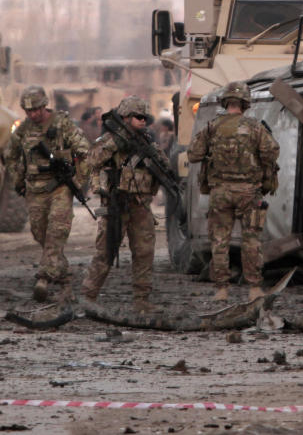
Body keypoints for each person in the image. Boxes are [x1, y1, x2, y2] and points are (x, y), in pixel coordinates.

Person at [187, 81, 279, 302]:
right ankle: (254, 289)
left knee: (219, 241)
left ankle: (221, 290)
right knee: (251, 240)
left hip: (220, 193)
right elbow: (271, 152)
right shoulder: (255, 127)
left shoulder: (212, 127)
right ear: (246, 103)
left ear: (225, 102)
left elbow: (193, 154)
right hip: (249, 192)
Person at [81, 96, 170, 312]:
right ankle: (88, 297)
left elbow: (165, 167)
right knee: (105, 251)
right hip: (115, 205)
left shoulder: (146, 141)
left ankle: (141, 301)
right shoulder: (109, 140)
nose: (143, 121)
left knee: (144, 252)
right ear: (125, 118)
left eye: (145, 117)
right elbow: (90, 159)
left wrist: (155, 159)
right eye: (138, 117)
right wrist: (116, 142)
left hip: (140, 205)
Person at [2, 85, 90, 301]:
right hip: (34, 189)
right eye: (29, 111)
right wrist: (17, 179)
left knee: (56, 231)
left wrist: (78, 180)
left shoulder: (63, 124)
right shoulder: (23, 130)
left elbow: (84, 150)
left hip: (59, 187)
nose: (33, 114)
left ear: (45, 106)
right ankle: (65, 281)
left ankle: (43, 278)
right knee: (40, 233)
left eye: (37, 110)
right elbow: (10, 155)